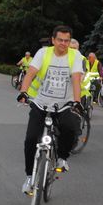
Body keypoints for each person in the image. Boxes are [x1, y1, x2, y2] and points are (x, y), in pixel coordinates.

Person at [18, 25, 84, 194]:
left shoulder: (75, 55)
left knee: (71, 129)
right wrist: (23, 92)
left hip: (63, 105)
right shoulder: (43, 53)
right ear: (53, 40)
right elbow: (31, 73)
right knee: (31, 138)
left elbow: (76, 79)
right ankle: (28, 177)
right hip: (41, 103)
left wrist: (76, 101)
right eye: (60, 40)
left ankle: (62, 157)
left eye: (66, 40)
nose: (63, 43)